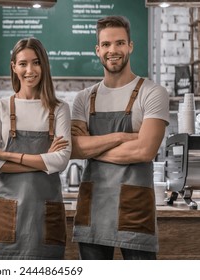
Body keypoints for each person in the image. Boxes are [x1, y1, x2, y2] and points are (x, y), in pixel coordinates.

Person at [70, 15, 169, 260]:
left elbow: (144, 151)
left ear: (130, 46)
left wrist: (93, 147)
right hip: (93, 209)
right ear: (97, 50)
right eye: (106, 44)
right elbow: (74, 149)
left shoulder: (153, 92)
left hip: (135, 210)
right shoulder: (84, 98)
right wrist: (124, 137)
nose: (112, 50)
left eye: (119, 43)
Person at [0, 37, 72, 259]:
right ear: (14, 67)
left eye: (36, 62)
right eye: (23, 63)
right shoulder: (0, 107)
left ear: (44, 65)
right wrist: (43, 161)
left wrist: (5, 154)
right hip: (4, 215)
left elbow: (61, 161)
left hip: (44, 217)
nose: (30, 70)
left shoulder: (59, 109)